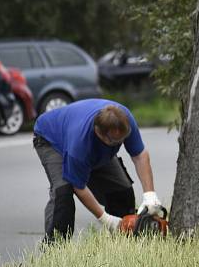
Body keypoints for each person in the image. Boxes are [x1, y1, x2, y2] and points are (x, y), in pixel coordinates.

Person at [32, 98, 162, 244]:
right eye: (115, 142)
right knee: (63, 192)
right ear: (99, 133)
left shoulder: (125, 119)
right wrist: (106, 219)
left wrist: (150, 195)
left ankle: (124, 241)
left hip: (90, 143)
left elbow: (139, 155)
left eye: (122, 140)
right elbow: (79, 186)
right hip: (51, 139)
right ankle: (54, 249)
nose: (119, 144)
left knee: (122, 191)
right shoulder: (79, 146)